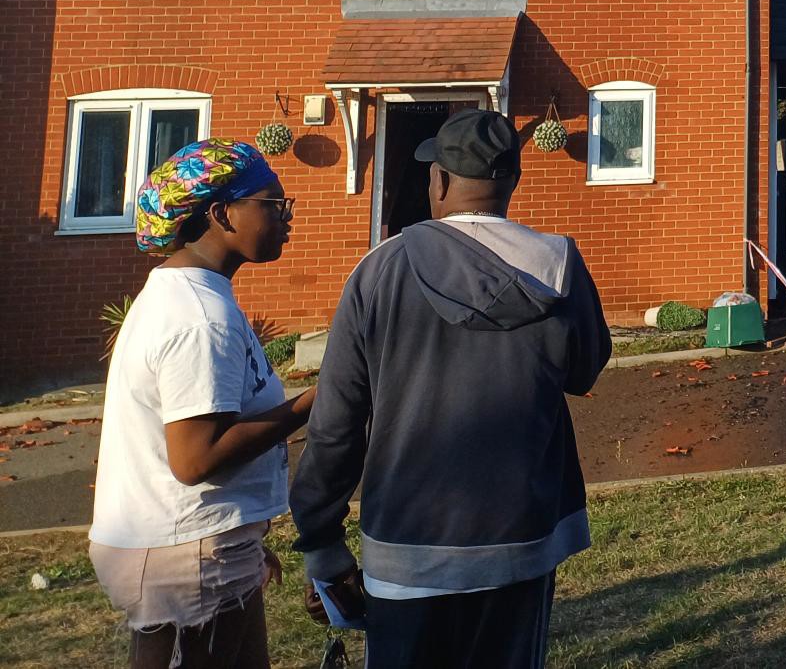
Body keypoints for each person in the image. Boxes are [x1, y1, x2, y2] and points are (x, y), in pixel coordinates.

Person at [290, 110, 611, 669]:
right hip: (523, 537)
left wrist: (320, 536)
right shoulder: (560, 268)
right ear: (512, 180)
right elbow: (584, 372)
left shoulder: (378, 270)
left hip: (406, 543)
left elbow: (336, 423)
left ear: (436, 182)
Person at [90, 140, 315, 669]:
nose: (286, 218)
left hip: (205, 543)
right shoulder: (198, 318)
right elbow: (195, 459)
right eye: (272, 204)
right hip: (185, 556)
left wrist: (247, 535)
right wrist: (314, 402)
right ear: (221, 214)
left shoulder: (194, 296)